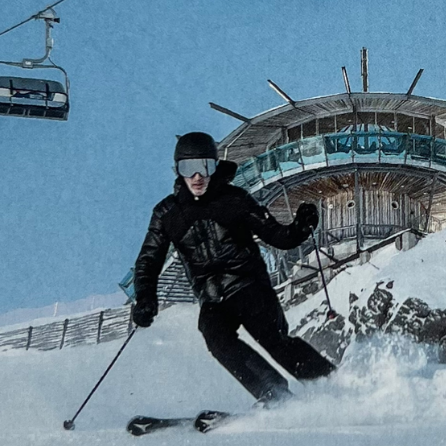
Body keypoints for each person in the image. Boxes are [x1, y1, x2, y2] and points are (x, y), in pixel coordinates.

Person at [131, 131, 335, 407]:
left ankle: (330, 384)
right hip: (212, 298)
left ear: (214, 167)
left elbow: (277, 236)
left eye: (205, 166)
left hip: (249, 286)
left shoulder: (235, 200)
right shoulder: (167, 214)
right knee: (215, 336)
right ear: (178, 171)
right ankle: (272, 392)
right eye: (188, 168)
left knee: (273, 339)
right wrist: (145, 298)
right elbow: (149, 260)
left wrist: (300, 227)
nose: (197, 177)